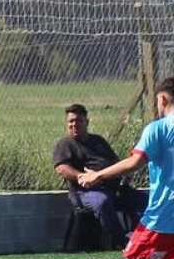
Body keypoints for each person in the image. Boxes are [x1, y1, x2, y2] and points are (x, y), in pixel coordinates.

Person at [76, 76, 174, 259]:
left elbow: (134, 162)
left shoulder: (158, 128)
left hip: (163, 215)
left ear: (162, 99)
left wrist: (97, 176)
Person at [53, 103, 143, 250]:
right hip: (85, 191)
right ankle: (123, 242)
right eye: (71, 121)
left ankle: (143, 238)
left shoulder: (98, 141)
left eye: (78, 120)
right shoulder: (65, 144)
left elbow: (115, 162)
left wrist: (124, 174)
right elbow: (62, 168)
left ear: (87, 122)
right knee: (102, 202)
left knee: (143, 200)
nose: (74, 124)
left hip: (113, 188)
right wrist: (83, 177)